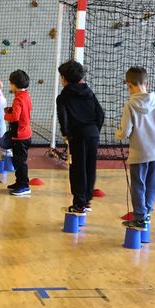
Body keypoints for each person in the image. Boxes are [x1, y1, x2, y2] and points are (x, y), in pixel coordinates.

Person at [115, 66, 155, 230]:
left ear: (128, 85)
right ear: (148, 83)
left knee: (138, 185)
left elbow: (125, 132)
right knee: (152, 183)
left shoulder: (129, 105)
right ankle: (147, 212)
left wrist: (118, 134)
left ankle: (140, 217)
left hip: (139, 153)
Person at [56, 60, 105, 213]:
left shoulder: (63, 97)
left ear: (64, 78)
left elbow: (63, 117)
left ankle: (79, 203)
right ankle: (86, 200)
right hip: (93, 133)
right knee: (90, 166)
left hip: (77, 135)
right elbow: (100, 113)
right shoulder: (89, 92)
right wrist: (95, 129)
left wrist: (66, 134)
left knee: (77, 168)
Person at [4, 69, 33, 196]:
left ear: (14, 84)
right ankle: (19, 182)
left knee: (20, 162)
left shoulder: (18, 99)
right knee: (17, 160)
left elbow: (15, 117)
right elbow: (24, 111)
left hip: (20, 135)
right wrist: (11, 110)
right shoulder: (25, 96)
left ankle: (24, 185)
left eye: (10, 83)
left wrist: (6, 115)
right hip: (25, 133)